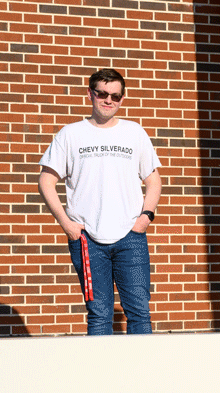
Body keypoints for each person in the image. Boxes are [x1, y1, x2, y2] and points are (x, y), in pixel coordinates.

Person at [38, 68, 162, 335]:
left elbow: (153, 180)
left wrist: (146, 217)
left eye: (115, 96)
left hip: (131, 236)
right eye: (102, 94)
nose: (108, 100)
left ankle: (142, 376)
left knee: (140, 313)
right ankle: (99, 376)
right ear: (90, 94)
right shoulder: (70, 134)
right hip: (87, 239)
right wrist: (66, 224)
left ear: (122, 98)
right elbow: (46, 181)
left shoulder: (134, 132)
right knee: (99, 314)